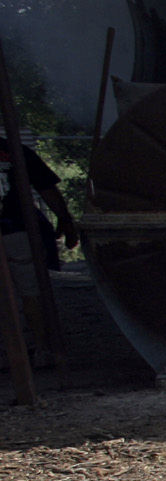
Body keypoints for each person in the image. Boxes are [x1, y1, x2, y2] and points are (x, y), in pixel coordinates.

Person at [1, 133, 80, 368]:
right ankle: (42, 349)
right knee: (31, 291)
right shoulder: (16, 151)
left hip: (16, 229)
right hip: (18, 230)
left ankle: (11, 353)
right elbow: (47, 189)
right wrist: (65, 219)